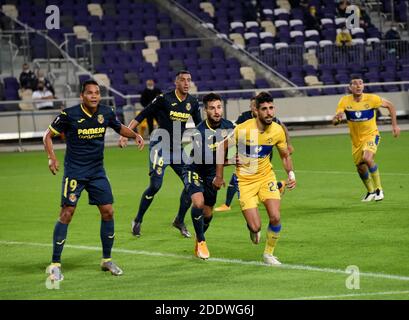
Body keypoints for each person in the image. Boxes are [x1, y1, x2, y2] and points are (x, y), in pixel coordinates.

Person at [43, 80, 144, 282]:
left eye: (97, 93)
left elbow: (118, 127)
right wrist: (52, 157)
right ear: (82, 96)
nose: (94, 96)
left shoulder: (106, 112)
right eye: (90, 93)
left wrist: (135, 135)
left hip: (97, 172)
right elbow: (47, 136)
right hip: (75, 172)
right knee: (67, 213)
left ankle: (106, 260)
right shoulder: (68, 114)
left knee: (108, 211)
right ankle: (55, 264)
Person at [213, 92, 296, 265]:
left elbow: (285, 155)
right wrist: (219, 176)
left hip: (266, 177)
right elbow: (221, 148)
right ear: (256, 111)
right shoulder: (243, 129)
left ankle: (268, 254)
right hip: (245, 182)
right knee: (255, 227)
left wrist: (291, 174)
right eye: (264, 109)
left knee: (275, 216)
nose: (269, 113)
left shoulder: (277, 130)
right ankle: (252, 228)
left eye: (271, 108)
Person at [119, 70, 202, 238]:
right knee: (155, 186)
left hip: (178, 149)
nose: (187, 83)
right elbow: (143, 114)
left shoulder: (192, 102)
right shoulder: (164, 98)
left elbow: (200, 125)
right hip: (160, 147)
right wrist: (125, 133)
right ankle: (138, 220)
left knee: (191, 185)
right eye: (183, 80)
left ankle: (179, 220)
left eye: (189, 80)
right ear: (176, 83)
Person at [214, 97, 294, 212]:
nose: (268, 111)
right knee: (238, 175)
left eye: (270, 108)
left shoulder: (271, 119)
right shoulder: (244, 117)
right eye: (252, 105)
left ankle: (228, 204)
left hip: (262, 152)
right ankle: (278, 186)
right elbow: (233, 132)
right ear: (254, 108)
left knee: (249, 175)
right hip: (246, 149)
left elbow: (283, 128)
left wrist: (288, 144)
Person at [184, 93, 234, 259]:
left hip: (212, 173)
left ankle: (198, 239)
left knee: (208, 214)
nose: (217, 111)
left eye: (219, 107)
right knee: (198, 202)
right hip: (195, 169)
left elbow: (234, 153)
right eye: (212, 108)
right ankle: (202, 240)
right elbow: (205, 159)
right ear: (205, 110)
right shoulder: (199, 131)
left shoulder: (229, 127)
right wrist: (220, 173)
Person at [333, 77, 400, 201]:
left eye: (360, 83)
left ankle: (379, 189)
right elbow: (335, 120)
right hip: (356, 141)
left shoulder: (372, 98)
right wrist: (336, 119)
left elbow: (390, 106)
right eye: (355, 84)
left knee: (367, 158)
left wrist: (395, 125)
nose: (358, 86)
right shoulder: (344, 101)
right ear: (350, 87)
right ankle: (371, 192)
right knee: (360, 167)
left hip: (371, 135)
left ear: (363, 86)